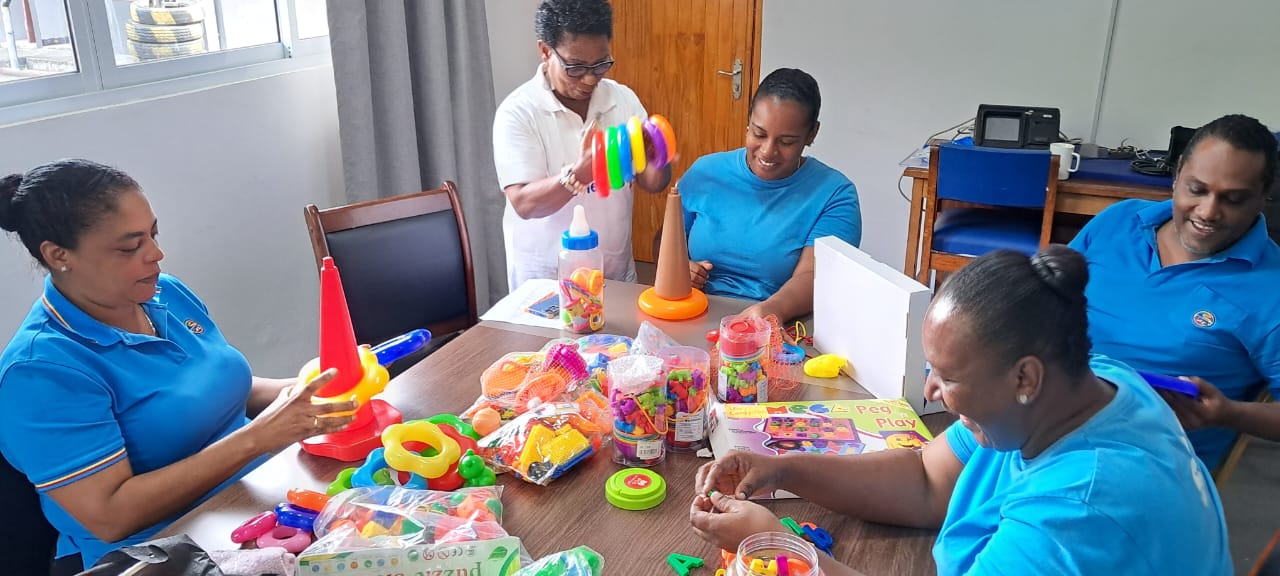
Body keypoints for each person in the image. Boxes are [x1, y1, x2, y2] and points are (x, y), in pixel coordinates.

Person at [689, 246, 1231, 576]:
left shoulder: (1079, 510)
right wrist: (782, 469)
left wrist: (785, 552)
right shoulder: (1084, 383)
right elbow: (927, 479)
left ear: (1025, 377)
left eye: (948, 378)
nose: (930, 392)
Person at [0, 160, 356, 569]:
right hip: (163, 553)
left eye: (153, 234)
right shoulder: (40, 371)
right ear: (59, 255)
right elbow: (110, 516)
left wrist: (316, 385)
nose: (156, 255)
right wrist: (259, 437)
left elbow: (224, 391)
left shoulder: (163, 294)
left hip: (256, 503)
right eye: (130, 247)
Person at [1068, 113, 1280, 471]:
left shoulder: (1271, 288)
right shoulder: (1120, 220)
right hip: (1044, 418)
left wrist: (1229, 414)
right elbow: (1041, 299)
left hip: (1141, 462)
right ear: (1177, 173)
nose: (1208, 212)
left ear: (1263, 196)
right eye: (1197, 190)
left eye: (1233, 199)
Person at [493, 0, 672, 291]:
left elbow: (653, 182)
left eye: (601, 65)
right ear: (545, 51)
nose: (590, 79)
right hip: (547, 282)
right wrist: (580, 174)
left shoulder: (622, 100)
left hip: (612, 273)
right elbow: (524, 203)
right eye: (575, 67)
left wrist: (657, 158)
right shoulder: (519, 112)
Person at [677, 68, 860, 320]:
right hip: (695, 311)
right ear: (748, 121)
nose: (767, 151)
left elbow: (814, 276)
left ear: (811, 134)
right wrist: (679, 268)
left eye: (786, 142)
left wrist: (772, 310)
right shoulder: (706, 172)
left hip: (782, 321)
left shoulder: (834, 194)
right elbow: (667, 240)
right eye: (759, 134)